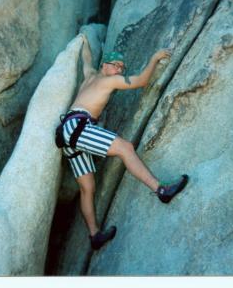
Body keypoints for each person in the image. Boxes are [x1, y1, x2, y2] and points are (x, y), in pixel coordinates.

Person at [57, 34, 188, 250]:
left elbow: (86, 60)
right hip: (78, 127)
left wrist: (84, 41)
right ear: (105, 65)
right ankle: (160, 190)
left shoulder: (90, 75)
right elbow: (141, 81)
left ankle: (94, 235)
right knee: (125, 148)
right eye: (116, 65)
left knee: (87, 187)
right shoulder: (110, 80)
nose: (119, 70)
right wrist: (155, 59)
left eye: (122, 67)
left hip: (67, 132)